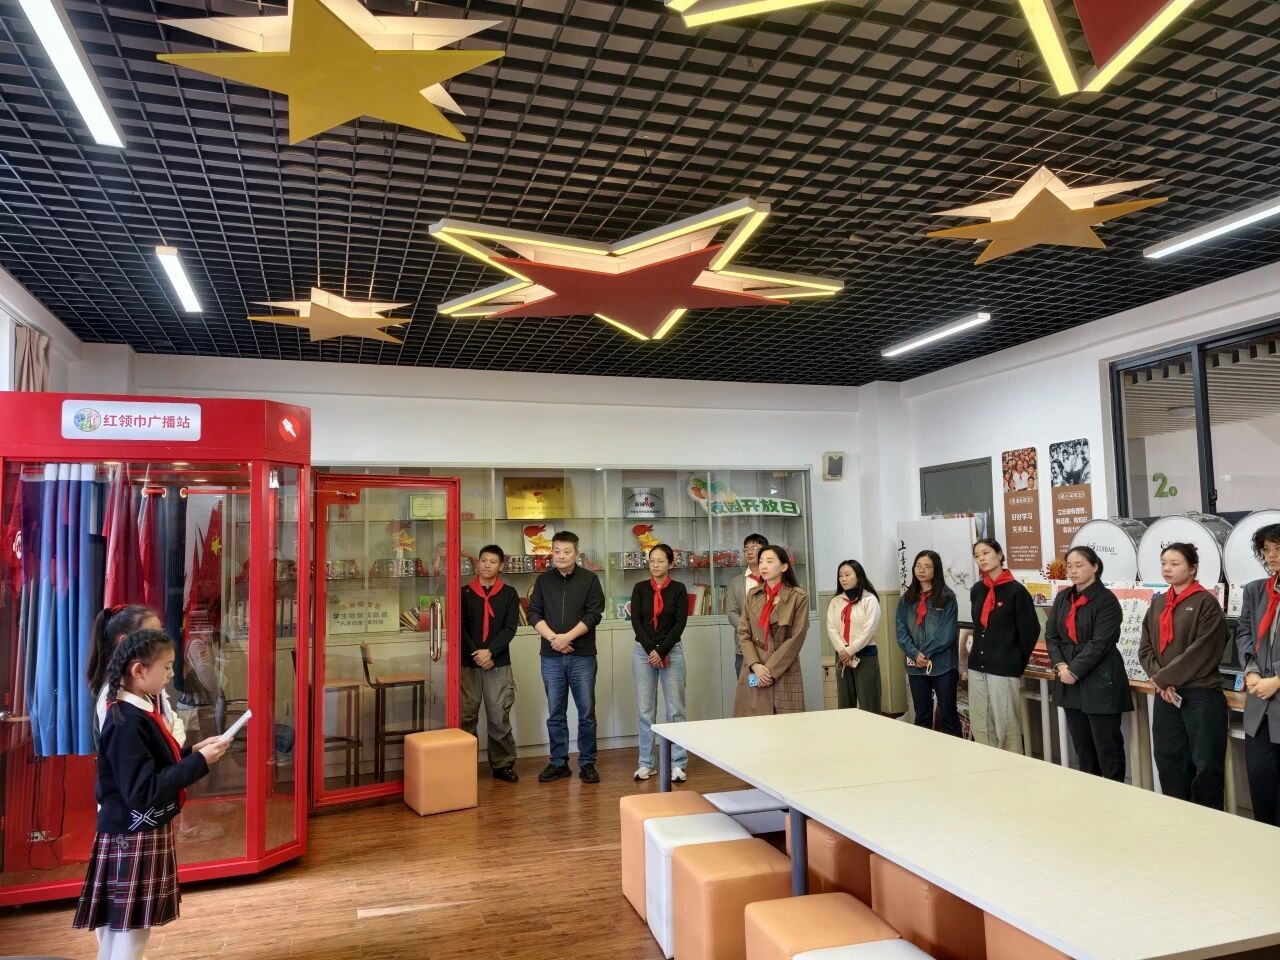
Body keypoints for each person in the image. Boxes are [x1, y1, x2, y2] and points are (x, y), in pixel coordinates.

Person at [72, 629, 229, 960]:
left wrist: (192, 753)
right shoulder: (127, 720)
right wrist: (200, 762)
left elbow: (149, 767)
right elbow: (143, 790)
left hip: (129, 831)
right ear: (138, 670)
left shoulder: (135, 710)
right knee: (129, 936)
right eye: (167, 667)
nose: (172, 674)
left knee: (118, 932)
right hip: (134, 834)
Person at [1137, 542, 1228, 809]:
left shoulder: (1206, 603)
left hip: (1201, 695)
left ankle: (1208, 824)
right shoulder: (1159, 603)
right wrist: (1160, 679)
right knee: (1169, 760)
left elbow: (1203, 651)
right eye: (1164, 563)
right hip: (1166, 696)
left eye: (1175, 564)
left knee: (1205, 766)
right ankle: (1177, 819)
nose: (1167, 568)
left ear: (1193, 568)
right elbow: (1145, 647)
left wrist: (1163, 679)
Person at [1045, 546, 1131, 782]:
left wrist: (1074, 670)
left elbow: (1100, 643)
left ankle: (1114, 797)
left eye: (1079, 565)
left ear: (1095, 567)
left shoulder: (1107, 601)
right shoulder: (1063, 597)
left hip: (1101, 679)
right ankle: (1089, 797)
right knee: (1083, 750)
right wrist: (1061, 666)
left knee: (1108, 751)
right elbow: (1051, 636)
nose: (1072, 571)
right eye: (1069, 566)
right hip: (1068, 680)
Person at [528, 530, 605, 784]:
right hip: (551, 657)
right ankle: (558, 762)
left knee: (586, 712)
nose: (561, 556)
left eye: (566, 551)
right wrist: (555, 639)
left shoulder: (590, 579)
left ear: (576, 553)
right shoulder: (543, 581)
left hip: (582, 656)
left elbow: (594, 614)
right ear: (552, 552)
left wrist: (567, 638)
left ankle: (587, 763)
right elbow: (533, 614)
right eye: (557, 551)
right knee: (556, 713)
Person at [968, 539, 1040, 753]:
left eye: (986, 553)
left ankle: (1011, 768)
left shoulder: (1017, 591)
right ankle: (986, 765)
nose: (982, 558)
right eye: (977, 555)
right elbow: (977, 625)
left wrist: (1015, 662)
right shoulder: (977, 589)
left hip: (1004, 666)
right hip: (977, 665)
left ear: (999, 555)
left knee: (1006, 726)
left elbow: (1030, 631)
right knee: (981, 723)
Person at [460, 544, 521, 783]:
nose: (487, 565)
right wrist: (477, 653)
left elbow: (510, 627)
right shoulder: (464, 592)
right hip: (469, 662)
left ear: (501, 566)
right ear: (477, 563)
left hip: (498, 662)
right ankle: (463, 765)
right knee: (466, 715)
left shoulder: (509, 593)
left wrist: (490, 652)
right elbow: (460, 627)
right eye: (483, 561)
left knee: (498, 716)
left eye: (493, 562)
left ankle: (502, 765)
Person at [629, 544, 690, 781]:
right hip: (643, 653)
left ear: (671, 564)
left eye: (660, 561)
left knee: (675, 710)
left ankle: (677, 763)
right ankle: (646, 763)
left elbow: (679, 623)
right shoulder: (640, 588)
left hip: (671, 651)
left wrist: (661, 650)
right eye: (652, 560)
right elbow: (636, 621)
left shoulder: (679, 589)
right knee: (645, 711)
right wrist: (651, 650)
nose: (655, 565)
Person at [87, 605, 182, 747]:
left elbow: (171, 720)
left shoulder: (144, 685)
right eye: (151, 636)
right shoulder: (114, 697)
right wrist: (165, 738)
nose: (160, 642)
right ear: (125, 642)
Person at [1236, 523, 1280, 826]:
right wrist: (1251, 671)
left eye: (1278, 548)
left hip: (1274, 690)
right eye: (1266, 550)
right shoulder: (1255, 590)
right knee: (1261, 781)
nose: (1271, 555)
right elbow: (1244, 632)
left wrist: (1277, 680)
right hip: (1259, 706)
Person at [734, 545, 808, 716]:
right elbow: (743, 633)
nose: (763, 566)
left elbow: (796, 638)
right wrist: (755, 665)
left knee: (785, 724)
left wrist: (769, 671)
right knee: (754, 723)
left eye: (769, 561)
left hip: (783, 667)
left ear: (784, 566)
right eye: (761, 562)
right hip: (754, 666)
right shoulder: (753, 595)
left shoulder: (798, 597)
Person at [895, 550, 960, 736]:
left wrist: (925, 653)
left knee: (948, 713)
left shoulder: (947, 597)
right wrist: (915, 654)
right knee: (922, 714)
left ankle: (955, 751)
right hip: (915, 666)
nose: (921, 570)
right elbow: (901, 631)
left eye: (927, 566)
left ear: (936, 569)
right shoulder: (906, 599)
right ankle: (922, 752)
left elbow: (947, 634)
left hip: (943, 665)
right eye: (918, 566)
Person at [826, 559, 882, 713]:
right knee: (845, 703)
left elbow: (869, 630)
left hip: (865, 656)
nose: (843, 579)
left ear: (858, 576)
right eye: (840, 575)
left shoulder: (869, 600)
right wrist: (842, 650)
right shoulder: (836, 601)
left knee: (869, 703)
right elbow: (831, 628)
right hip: (842, 656)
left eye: (847, 575)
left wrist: (850, 650)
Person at [725, 533, 767, 681]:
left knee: (772, 689)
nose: (749, 552)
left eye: (754, 547)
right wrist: (749, 628)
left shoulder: (773, 578)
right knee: (749, 687)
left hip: (771, 648)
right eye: (746, 549)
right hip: (745, 647)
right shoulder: (735, 583)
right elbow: (732, 613)